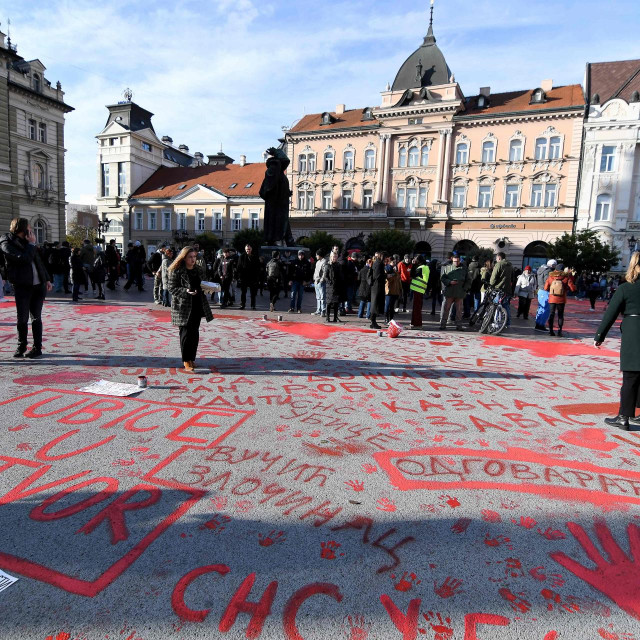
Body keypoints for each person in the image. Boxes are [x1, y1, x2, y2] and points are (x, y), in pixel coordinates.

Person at [595, 252, 640, 430]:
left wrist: (600, 336)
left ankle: (624, 417)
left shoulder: (625, 288)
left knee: (630, 376)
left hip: (634, 333)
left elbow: (610, 314)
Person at [0, 218, 53, 358]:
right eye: (29, 228)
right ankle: (21, 346)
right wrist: (31, 244)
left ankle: (37, 348)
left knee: (36, 318)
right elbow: (23, 259)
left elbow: (38, 262)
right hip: (23, 286)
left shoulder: (30, 244)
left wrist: (46, 278)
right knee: (22, 318)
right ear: (22, 229)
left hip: (39, 285)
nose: (31, 231)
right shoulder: (6, 242)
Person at [167, 246, 214, 372]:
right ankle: (186, 360)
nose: (193, 259)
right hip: (182, 306)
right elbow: (171, 287)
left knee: (194, 333)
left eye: (194, 257)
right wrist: (185, 291)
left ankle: (192, 359)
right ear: (184, 257)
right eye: (190, 257)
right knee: (185, 334)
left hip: (197, 304)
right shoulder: (176, 270)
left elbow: (204, 283)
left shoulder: (198, 269)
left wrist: (210, 288)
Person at [439, 254, 470, 331]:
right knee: (446, 309)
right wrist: (449, 282)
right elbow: (443, 278)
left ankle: (459, 325)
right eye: (455, 261)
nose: (456, 262)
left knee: (459, 310)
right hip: (449, 292)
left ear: (460, 260)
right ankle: (443, 324)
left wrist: (465, 289)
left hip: (460, 293)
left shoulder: (464, 269)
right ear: (452, 260)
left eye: (457, 261)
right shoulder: (448, 268)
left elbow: (469, 280)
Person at [544, 266, 576, 337]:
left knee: (551, 314)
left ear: (555, 269)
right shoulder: (566, 277)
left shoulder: (550, 277)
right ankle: (559, 331)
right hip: (561, 299)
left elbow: (545, 288)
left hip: (552, 299)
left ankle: (551, 331)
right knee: (560, 315)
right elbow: (573, 288)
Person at [489, 252, 514, 328]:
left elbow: (493, 277)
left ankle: (496, 322)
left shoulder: (499, 265)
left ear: (499, 258)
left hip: (499, 288)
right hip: (507, 289)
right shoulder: (510, 266)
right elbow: (513, 278)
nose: (496, 260)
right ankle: (508, 323)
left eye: (496, 258)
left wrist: (491, 285)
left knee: (497, 305)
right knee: (506, 306)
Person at [534, 259, 557, 332]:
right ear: (553, 265)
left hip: (540, 290)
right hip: (546, 291)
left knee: (540, 308)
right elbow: (547, 282)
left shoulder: (541, 269)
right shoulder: (548, 271)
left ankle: (538, 324)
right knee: (546, 309)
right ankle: (541, 325)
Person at [236, 244, 261, 310]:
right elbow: (239, 267)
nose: (248, 251)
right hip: (244, 278)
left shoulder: (255, 257)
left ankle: (253, 305)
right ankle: (242, 305)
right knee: (243, 292)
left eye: (249, 249)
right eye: (247, 249)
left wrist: (257, 278)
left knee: (253, 293)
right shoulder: (242, 256)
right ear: (245, 249)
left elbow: (258, 267)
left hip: (253, 278)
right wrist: (239, 277)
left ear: (251, 249)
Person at [323, 252, 345, 322]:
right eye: (333, 256)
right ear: (330, 257)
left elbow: (341, 275)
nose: (334, 258)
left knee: (336, 303)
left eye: (335, 257)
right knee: (329, 303)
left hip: (337, 286)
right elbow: (325, 276)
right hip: (330, 287)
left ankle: (335, 317)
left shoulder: (338, 265)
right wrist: (329, 282)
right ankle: (327, 317)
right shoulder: (328, 265)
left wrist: (341, 281)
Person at [410, 255, 429, 329]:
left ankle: (417, 324)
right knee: (416, 307)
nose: (414, 260)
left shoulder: (422, 268)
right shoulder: (423, 267)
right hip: (418, 289)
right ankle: (414, 323)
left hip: (418, 289)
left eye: (416, 259)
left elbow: (412, 275)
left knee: (417, 308)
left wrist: (413, 265)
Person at [368, 252, 386, 329]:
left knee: (374, 304)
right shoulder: (379, 264)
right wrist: (386, 275)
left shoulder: (377, 263)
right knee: (375, 304)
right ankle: (373, 321)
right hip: (377, 286)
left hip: (375, 286)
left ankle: (373, 321)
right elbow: (377, 276)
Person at [312, 249, 327, 316]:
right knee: (318, 297)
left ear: (319, 255)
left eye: (316, 255)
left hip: (321, 282)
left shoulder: (324, 262)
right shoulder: (317, 262)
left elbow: (325, 272)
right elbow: (316, 271)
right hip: (316, 281)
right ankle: (318, 310)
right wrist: (314, 279)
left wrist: (321, 280)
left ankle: (323, 311)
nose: (316, 256)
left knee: (322, 297)